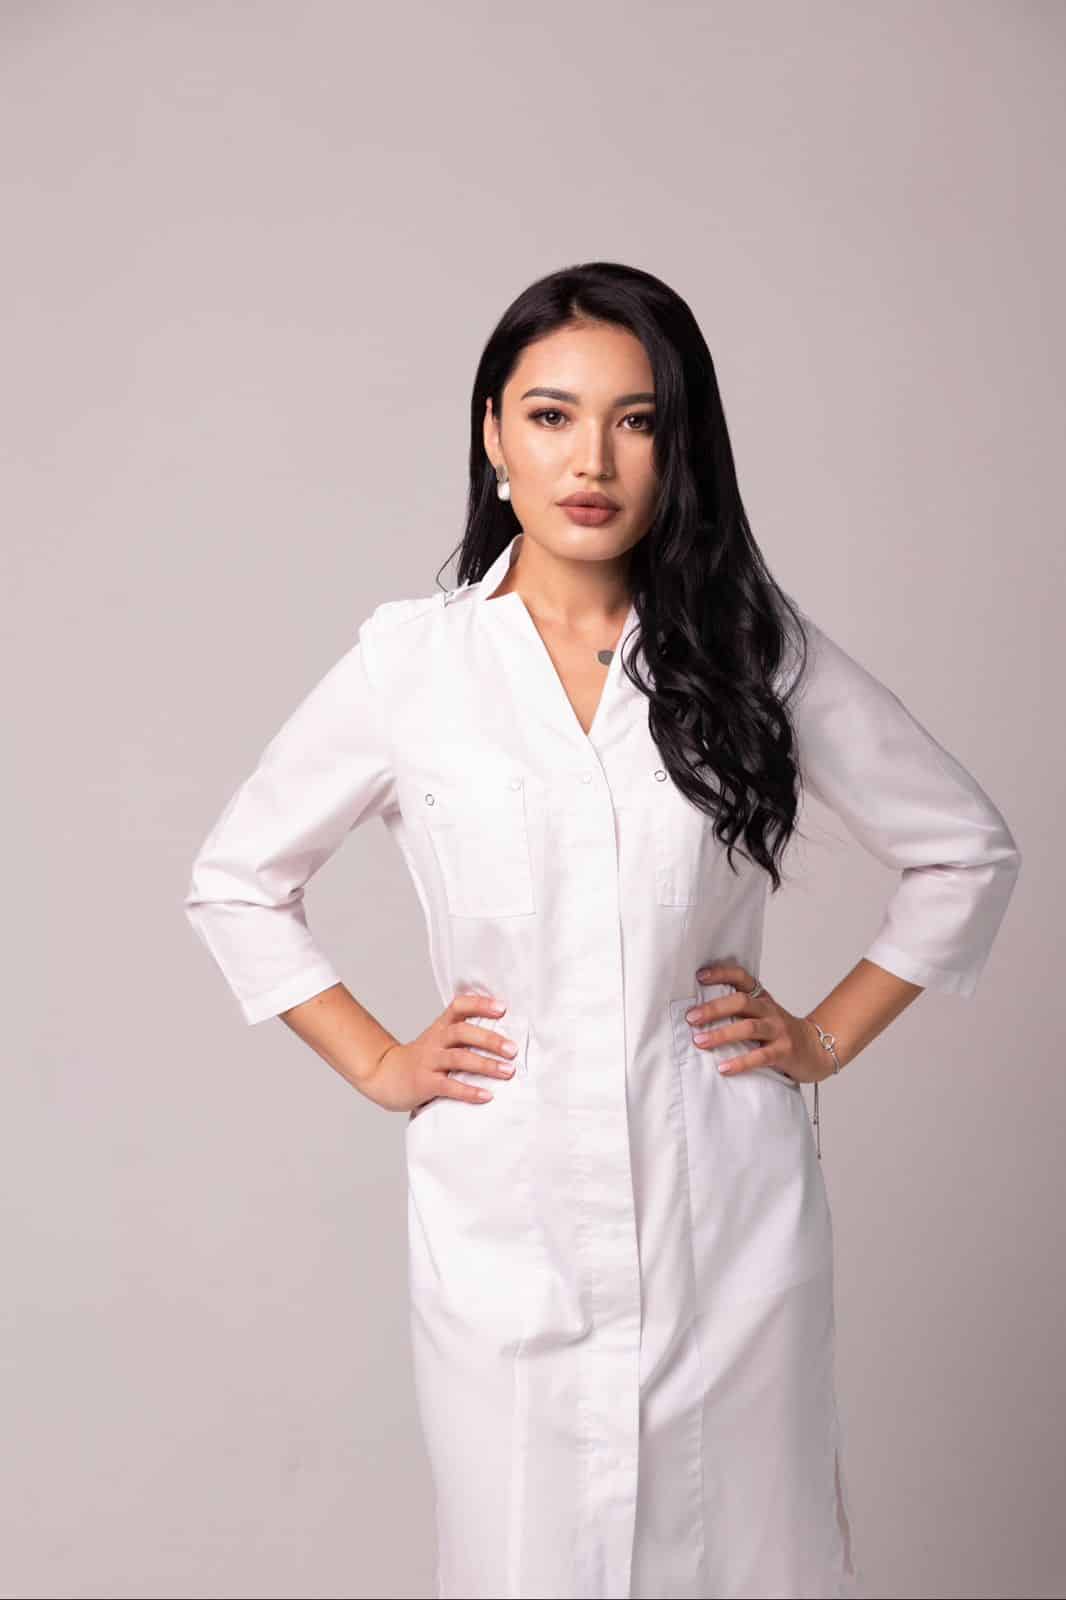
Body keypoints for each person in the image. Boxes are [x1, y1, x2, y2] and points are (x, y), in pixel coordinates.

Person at [183, 261, 1022, 1600]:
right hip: (504, 1212)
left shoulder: (750, 652)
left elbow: (961, 848)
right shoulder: (416, 666)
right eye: (551, 415)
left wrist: (822, 1036)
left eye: (638, 420)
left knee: (745, 1559)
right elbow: (238, 877)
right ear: (492, 434)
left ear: (681, 448)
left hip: (722, 1207)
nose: (592, 460)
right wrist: (380, 1062)